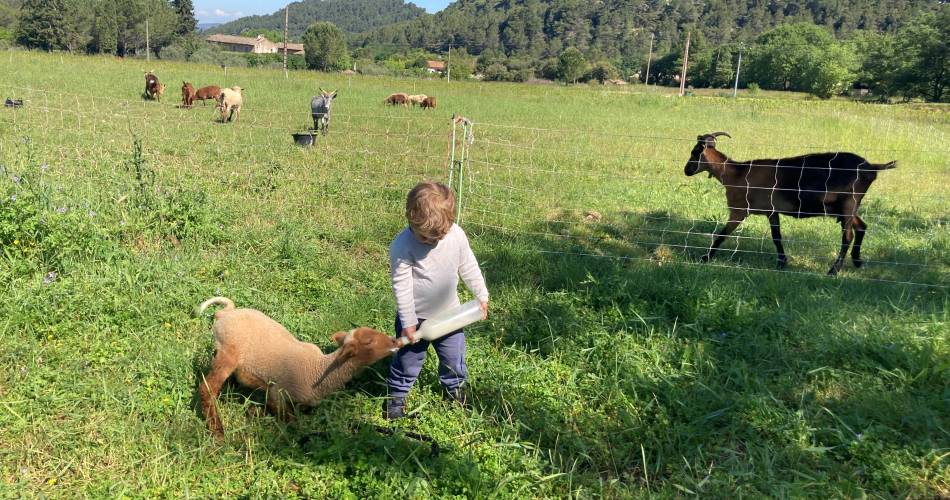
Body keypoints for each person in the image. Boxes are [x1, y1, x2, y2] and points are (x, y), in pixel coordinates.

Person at [384, 182, 489, 420]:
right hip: (416, 319)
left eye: (438, 236)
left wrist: (481, 295)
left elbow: (468, 266)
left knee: (454, 357)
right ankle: (396, 398)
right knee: (407, 361)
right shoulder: (402, 246)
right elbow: (402, 286)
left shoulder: (456, 235)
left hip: (450, 316)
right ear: (410, 219)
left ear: (450, 223)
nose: (432, 241)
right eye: (425, 237)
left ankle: (455, 391)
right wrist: (409, 322)